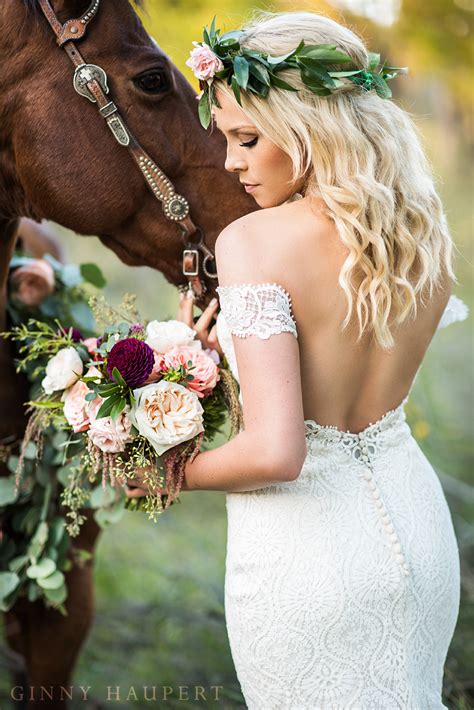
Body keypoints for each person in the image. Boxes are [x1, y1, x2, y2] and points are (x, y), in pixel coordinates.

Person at [126, 10, 468, 708]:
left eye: (248, 138)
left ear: (314, 126)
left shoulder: (255, 242)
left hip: (308, 556)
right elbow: (338, 361)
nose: (230, 162)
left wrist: (160, 475)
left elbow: (277, 452)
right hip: (417, 532)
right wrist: (210, 354)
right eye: (226, 140)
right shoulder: (420, 237)